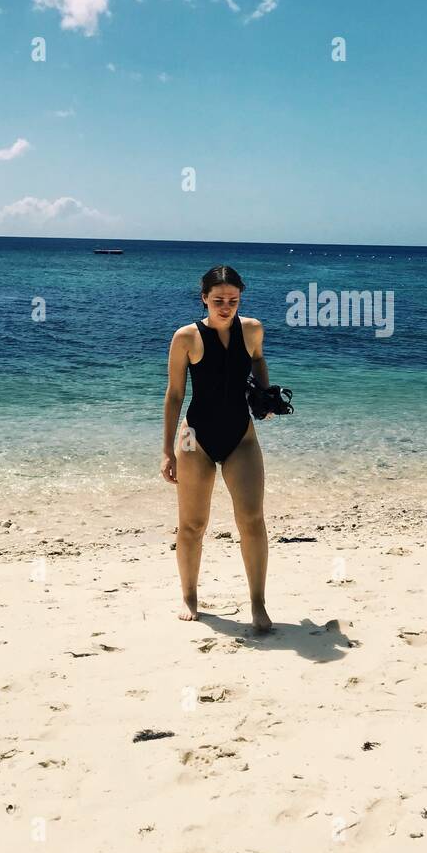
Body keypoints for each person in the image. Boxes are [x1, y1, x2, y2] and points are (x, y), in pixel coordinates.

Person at [161, 265, 276, 632]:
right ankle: (189, 596)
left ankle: (257, 603)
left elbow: (257, 359)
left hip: (240, 435)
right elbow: (175, 394)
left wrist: (264, 395)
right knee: (192, 525)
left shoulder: (252, 330)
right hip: (195, 439)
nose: (226, 307)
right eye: (218, 300)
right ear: (204, 299)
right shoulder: (186, 338)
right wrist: (167, 450)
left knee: (252, 521)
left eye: (233, 300)